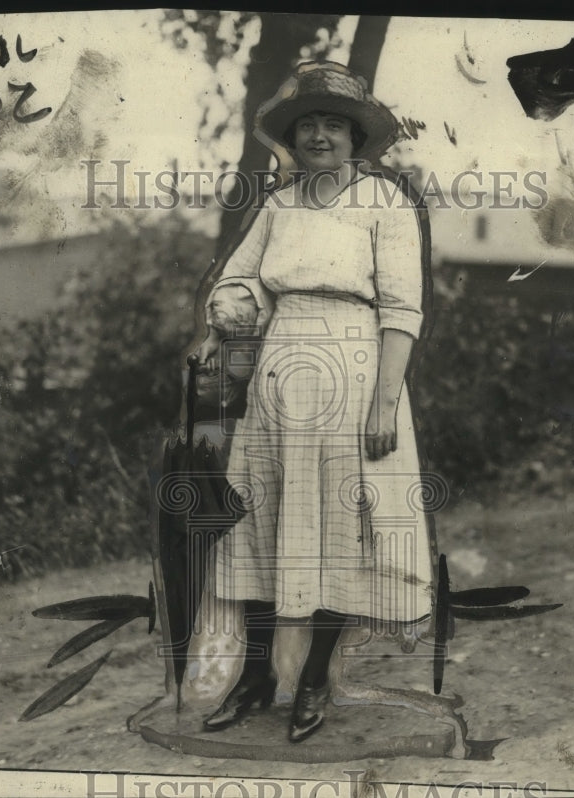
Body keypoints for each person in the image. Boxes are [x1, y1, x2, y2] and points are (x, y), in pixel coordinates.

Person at [191, 61, 434, 743]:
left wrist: (384, 403)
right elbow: (243, 283)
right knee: (263, 526)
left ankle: (318, 678)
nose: (320, 135)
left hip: (355, 375)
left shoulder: (385, 203)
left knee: (339, 533)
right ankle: (257, 676)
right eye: (308, 125)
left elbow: (402, 309)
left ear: (356, 136)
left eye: (334, 123)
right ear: (293, 138)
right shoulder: (280, 205)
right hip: (280, 377)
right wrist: (222, 323)